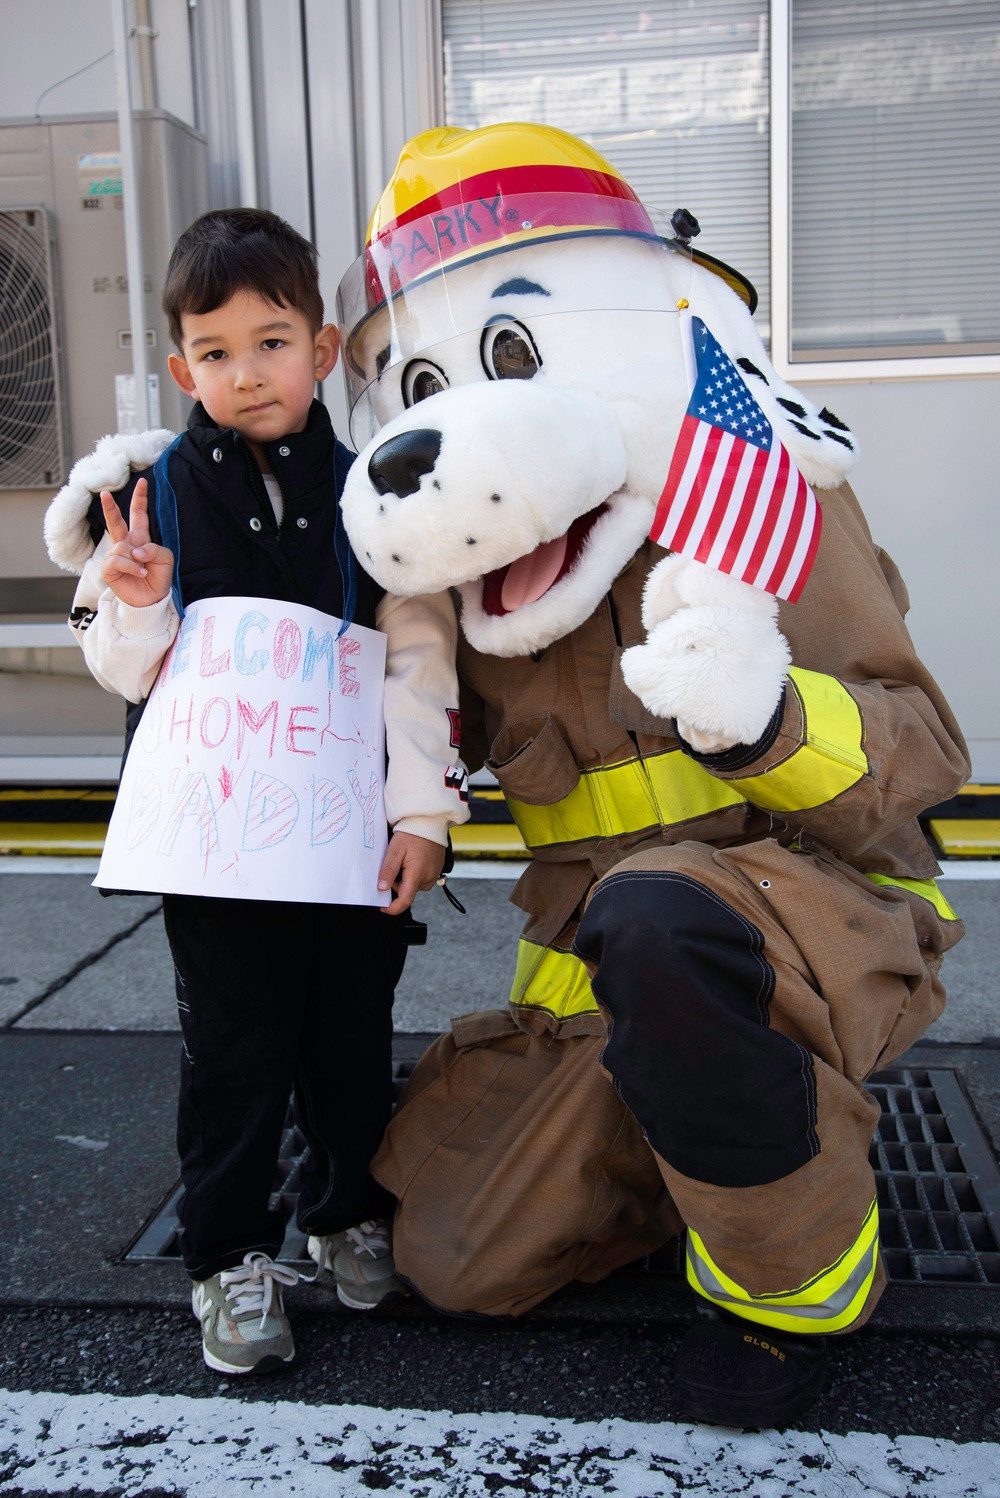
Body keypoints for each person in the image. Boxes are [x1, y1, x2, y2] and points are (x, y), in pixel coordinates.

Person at [44, 208, 469, 1376]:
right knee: (231, 1052)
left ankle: (345, 1214)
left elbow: (417, 653)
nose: (247, 373)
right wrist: (134, 597)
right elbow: (124, 668)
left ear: (323, 351)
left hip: (345, 839)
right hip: (215, 850)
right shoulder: (154, 499)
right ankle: (228, 1257)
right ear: (182, 367)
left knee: (347, 1038)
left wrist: (423, 811)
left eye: (273, 341)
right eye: (217, 352)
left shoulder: (375, 491)